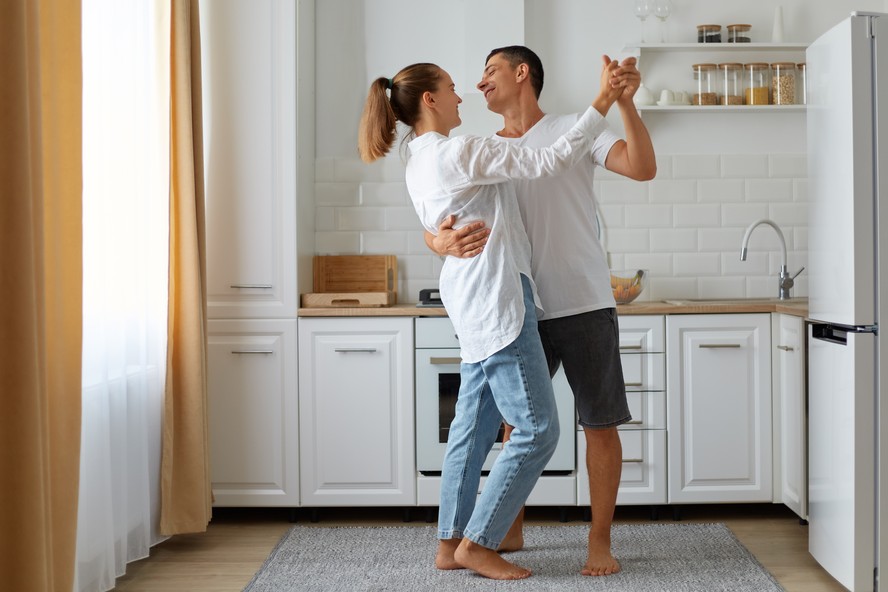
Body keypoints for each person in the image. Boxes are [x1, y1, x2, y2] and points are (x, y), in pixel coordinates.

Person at [358, 59, 632, 580]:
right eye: (454, 89)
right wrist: (602, 101)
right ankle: (479, 544)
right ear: (431, 101)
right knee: (538, 430)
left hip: (470, 303)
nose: (464, 97)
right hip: (501, 299)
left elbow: (441, 221)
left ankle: (449, 541)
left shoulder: (418, 160)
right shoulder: (460, 150)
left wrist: (436, 239)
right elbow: (550, 160)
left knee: (473, 426)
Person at [425, 45, 656, 577]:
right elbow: (439, 214)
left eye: (490, 71)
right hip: (515, 306)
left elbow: (642, 168)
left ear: (521, 73)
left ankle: (600, 541)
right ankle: (507, 527)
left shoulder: (576, 128)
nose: (479, 82)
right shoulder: (477, 148)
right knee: (515, 423)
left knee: (599, 425)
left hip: (583, 299)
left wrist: (623, 103)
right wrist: (438, 243)